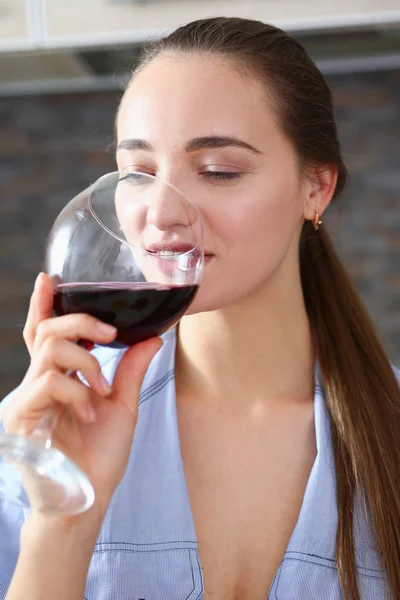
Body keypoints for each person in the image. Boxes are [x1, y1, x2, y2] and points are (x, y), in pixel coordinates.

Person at [0, 16, 399, 600]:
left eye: (218, 171)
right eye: (138, 172)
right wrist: (65, 517)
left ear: (316, 187)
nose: (162, 213)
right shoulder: (41, 433)